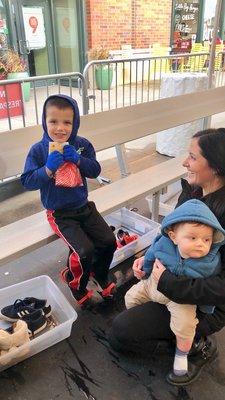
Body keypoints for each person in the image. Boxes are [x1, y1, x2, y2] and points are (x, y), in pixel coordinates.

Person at [108, 128, 225, 386]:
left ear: (215, 167)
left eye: (192, 157)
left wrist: (167, 282)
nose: (185, 162)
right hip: (171, 279)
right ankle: (176, 332)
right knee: (123, 297)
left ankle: (196, 346)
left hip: (204, 303)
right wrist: (146, 260)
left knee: (119, 334)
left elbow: (221, 289)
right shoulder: (192, 192)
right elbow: (168, 235)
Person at [21, 94, 117, 306]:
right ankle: (75, 283)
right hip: (59, 213)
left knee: (109, 241)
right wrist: (47, 169)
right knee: (84, 251)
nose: (60, 128)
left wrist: (79, 159)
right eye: (53, 121)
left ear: (75, 124)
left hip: (84, 206)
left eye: (67, 122)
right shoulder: (38, 150)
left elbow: (95, 170)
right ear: (44, 121)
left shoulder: (81, 145)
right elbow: (27, 181)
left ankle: (99, 273)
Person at [124, 199, 225, 379]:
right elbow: (151, 254)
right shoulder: (164, 244)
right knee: (130, 297)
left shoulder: (211, 263)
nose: (201, 244)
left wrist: (205, 310)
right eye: (193, 238)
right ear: (173, 237)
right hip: (153, 286)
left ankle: (182, 353)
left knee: (185, 326)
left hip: (182, 299)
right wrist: (143, 269)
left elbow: (213, 289)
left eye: (207, 239)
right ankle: (144, 320)